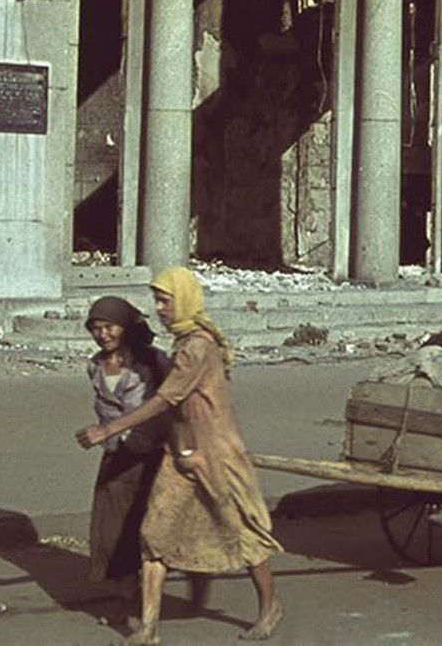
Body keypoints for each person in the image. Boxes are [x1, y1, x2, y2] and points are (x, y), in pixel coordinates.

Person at [76, 267, 283, 645]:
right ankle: (149, 628)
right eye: (156, 300)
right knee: (153, 535)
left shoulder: (197, 347)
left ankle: (269, 607)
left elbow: (166, 399)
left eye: (164, 300)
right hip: (182, 450)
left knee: (241, 532)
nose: (158, 308)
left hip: (217, 453)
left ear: (184, 300)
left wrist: (109, 429)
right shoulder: (182, 343)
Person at [82, 296, 170, 626]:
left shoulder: (153, 362)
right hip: (116, 459)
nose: (102, 334)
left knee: (147, 533)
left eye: (109, 327)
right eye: (96, 328)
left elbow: (171, 404)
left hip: (152, 460)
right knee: (111, 533)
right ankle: (125, 601)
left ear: (125, 327)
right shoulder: (94, 365)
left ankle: (145, 607)